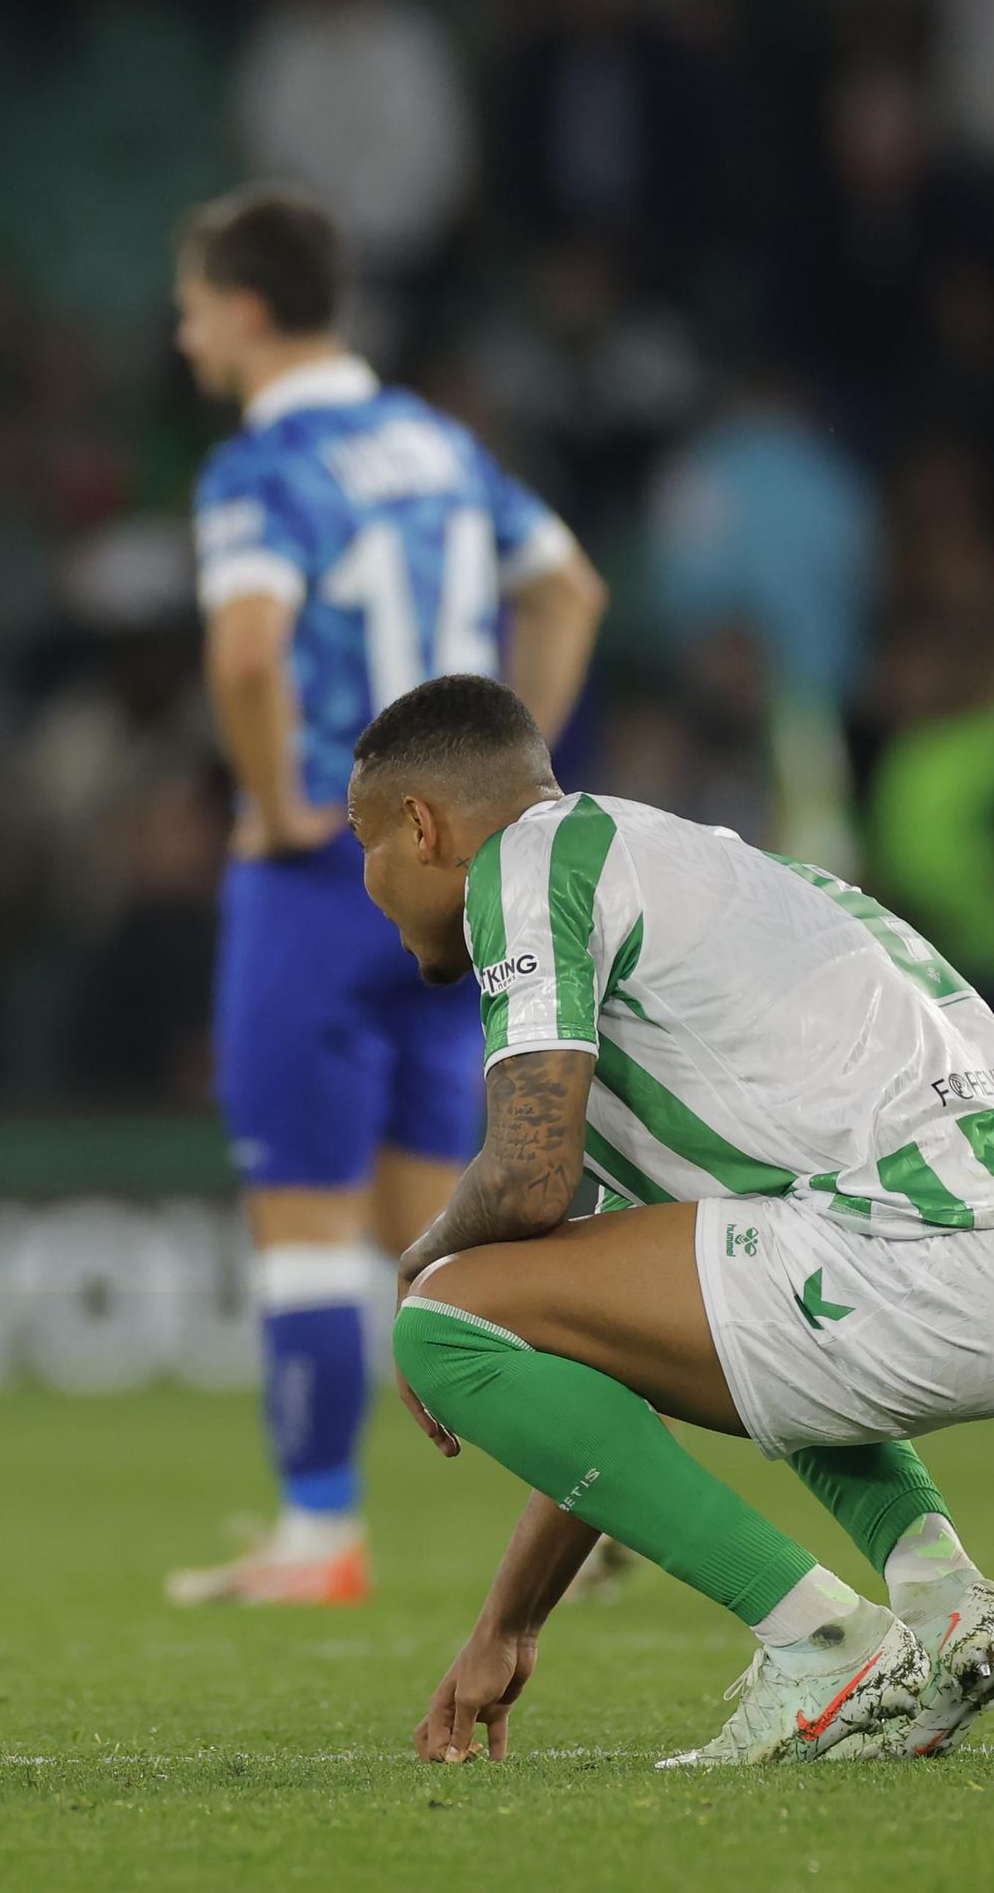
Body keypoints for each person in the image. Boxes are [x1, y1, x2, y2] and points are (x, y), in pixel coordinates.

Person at [347, 674, 994, 1765]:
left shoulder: (527, 868)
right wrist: (509, 1621)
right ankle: (941, 1601)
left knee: (440, 1320)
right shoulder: (707, 871)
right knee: (746, 1275)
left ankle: (823, 1644)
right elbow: (621, 1349)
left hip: (950, 1263)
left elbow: (529, 1177)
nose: (367, 883)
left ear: (420, 824)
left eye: (365, 843)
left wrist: (425, 1254)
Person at [168, 189, 605, 1605]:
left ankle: (317, 1534)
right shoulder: (438, 442)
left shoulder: (263, 467)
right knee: (442, 1218)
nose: (181, 337)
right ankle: (586, 1477)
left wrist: (275, 800)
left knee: (303, 1207)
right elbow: (574, 588)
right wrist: (506, 779)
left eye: (189, 306)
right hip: (458, 869)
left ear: (242, 310)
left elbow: (248, 654)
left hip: (320, 869)